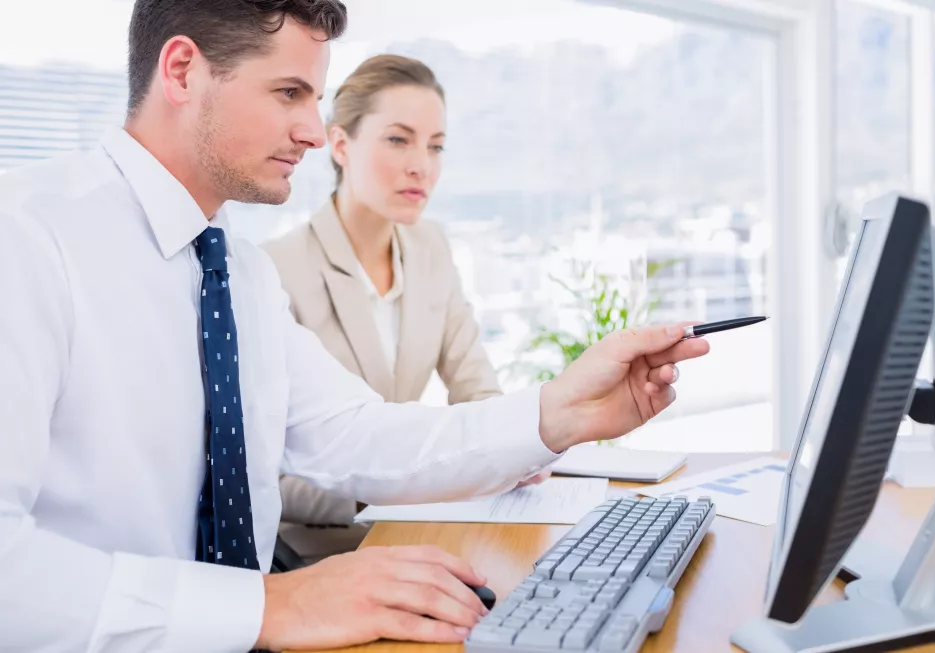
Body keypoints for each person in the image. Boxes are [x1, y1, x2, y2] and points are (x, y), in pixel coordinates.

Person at [0, 2, 709, 652]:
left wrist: (560, 411)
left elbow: (356, 436)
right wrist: (270, 604)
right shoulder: (28, 238)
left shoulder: (237, 272)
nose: (313, 131)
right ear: (182, 70)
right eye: (289, 93)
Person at [264, 54, 547, 561]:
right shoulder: (275, 272)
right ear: (340, 144)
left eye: (435, 147)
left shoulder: (430, 247)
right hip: (328, 553)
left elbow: (477, 391)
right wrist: (390, 486)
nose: (422, 165)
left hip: (428, 535)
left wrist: (513, 451)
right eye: (398, 139)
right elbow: (265, 477)